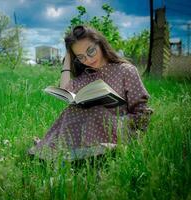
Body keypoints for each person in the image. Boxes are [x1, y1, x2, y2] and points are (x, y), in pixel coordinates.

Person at [29, 25, 153, 161]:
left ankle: (88, 152)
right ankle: (69, 154)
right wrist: (68, 58)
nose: (88, 59)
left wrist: (122, 122)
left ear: (100, 43)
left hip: (120, 127)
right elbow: (65, 90)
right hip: (90, 130)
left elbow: (141, 112)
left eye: (91, 51)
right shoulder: (86, 76)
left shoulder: (126, 71)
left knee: (97, 112)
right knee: (72, 110)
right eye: (81, 57)